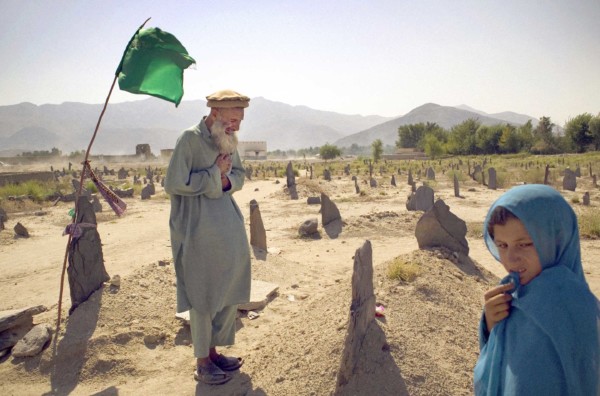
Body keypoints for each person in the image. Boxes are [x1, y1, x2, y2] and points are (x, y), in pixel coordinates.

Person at [474, 184, 599, 395]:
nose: (511, 259)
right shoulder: (513, 294)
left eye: (524, 244)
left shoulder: (572, 308)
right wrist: (491, 326)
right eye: (502, 245)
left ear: (557, 239)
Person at [164, 89, 251, 385]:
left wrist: (226, 179)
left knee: (228, 286)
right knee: (202, 292)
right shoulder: (189, 139)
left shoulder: (227, 139)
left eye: (239, 121)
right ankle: (202, 361)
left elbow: (238, 174)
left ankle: (214, 353)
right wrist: (214, 173)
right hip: (197, 228)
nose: (236, 127)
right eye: (232, 120)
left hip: (228, 227)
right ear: (214, 114)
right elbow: (174, 183)